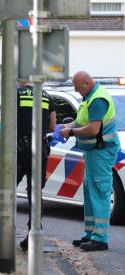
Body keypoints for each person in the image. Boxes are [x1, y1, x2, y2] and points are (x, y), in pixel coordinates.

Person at [60, 71, 120, 251]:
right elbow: (81, 122)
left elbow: (93, 129)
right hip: (93, 153)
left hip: (101, 151)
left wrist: (70, 133)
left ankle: (100, 238)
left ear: (87, 83)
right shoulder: (89, 97)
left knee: (100, 192)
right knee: (89, 192)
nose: (77, 92)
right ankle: (90, 235)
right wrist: (67, 126)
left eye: (78, 88)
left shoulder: (97, 100)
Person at [16, 83, 56, 251]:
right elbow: (52, 126)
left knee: (5, 190)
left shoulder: (16, 94)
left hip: (19, 149)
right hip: (39, 150)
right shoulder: (46, 96)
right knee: (35, 194)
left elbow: (7, 121)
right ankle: (34, 235)